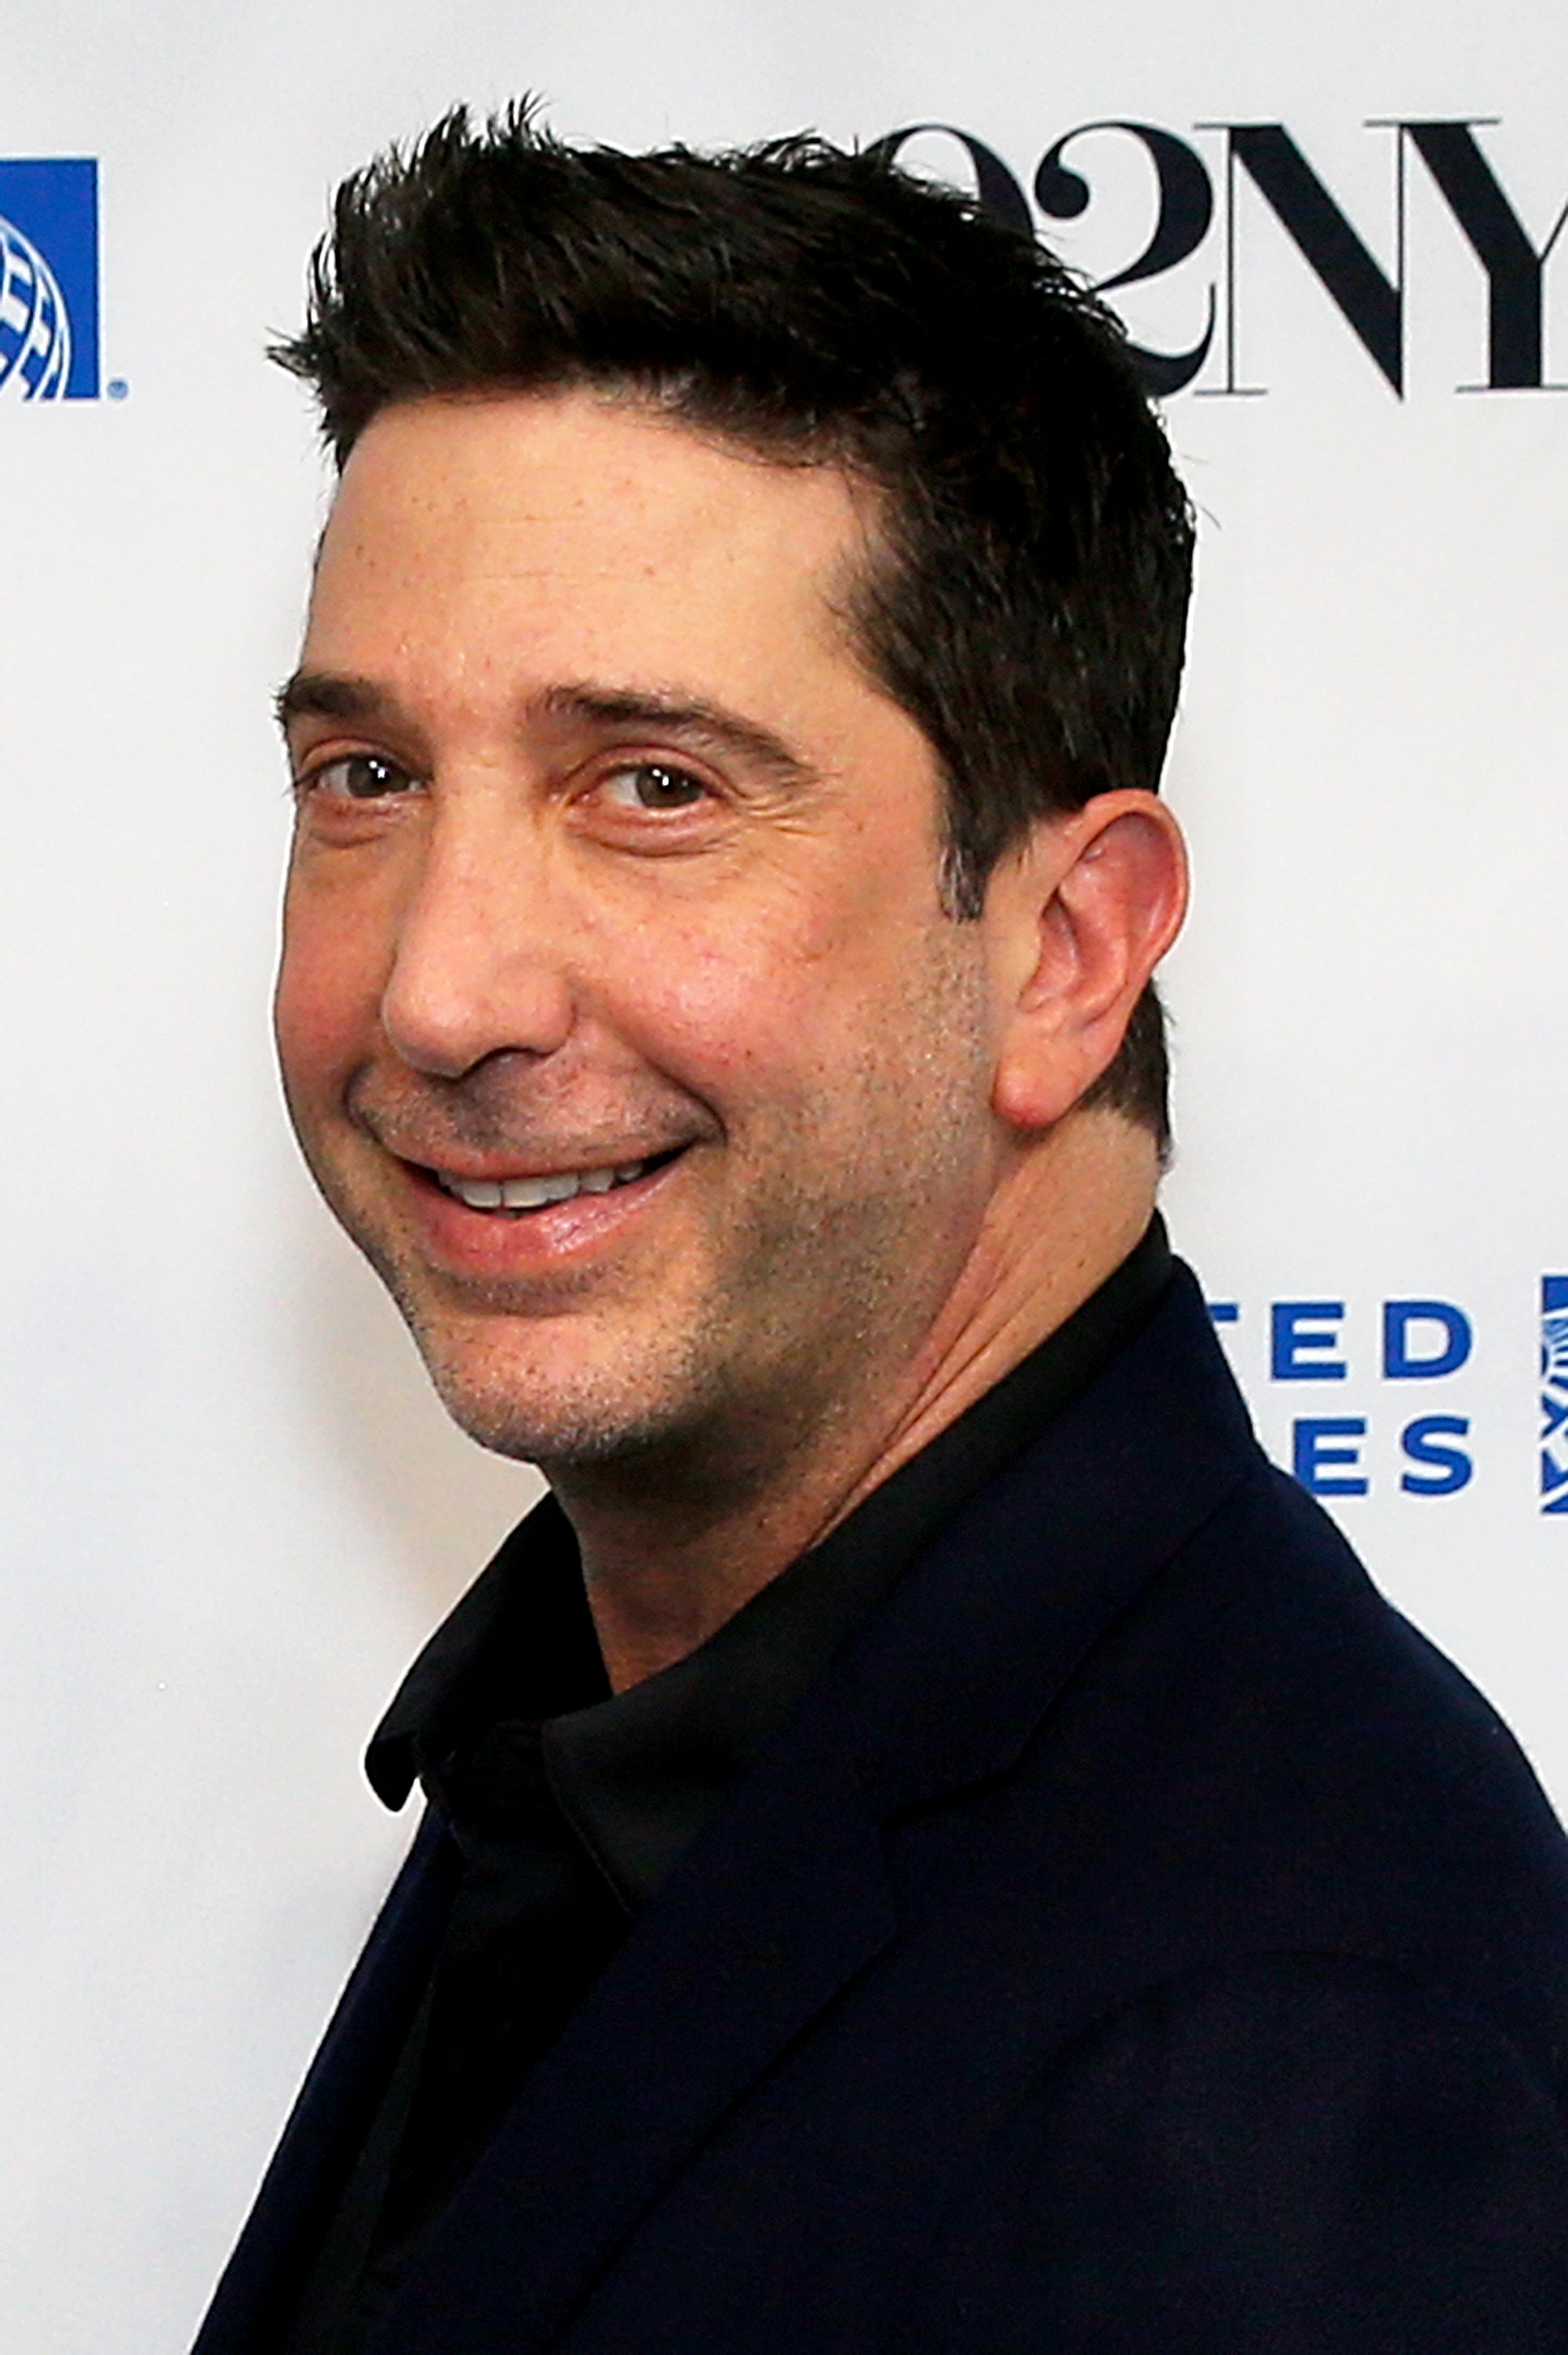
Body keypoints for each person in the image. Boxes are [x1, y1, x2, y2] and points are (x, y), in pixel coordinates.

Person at [194, 108, 1568, 2355]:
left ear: (1061, 950)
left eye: (654, 788)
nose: (440, 992)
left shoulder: (1284, 2067)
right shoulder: (616, 1736)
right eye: (368, 780)